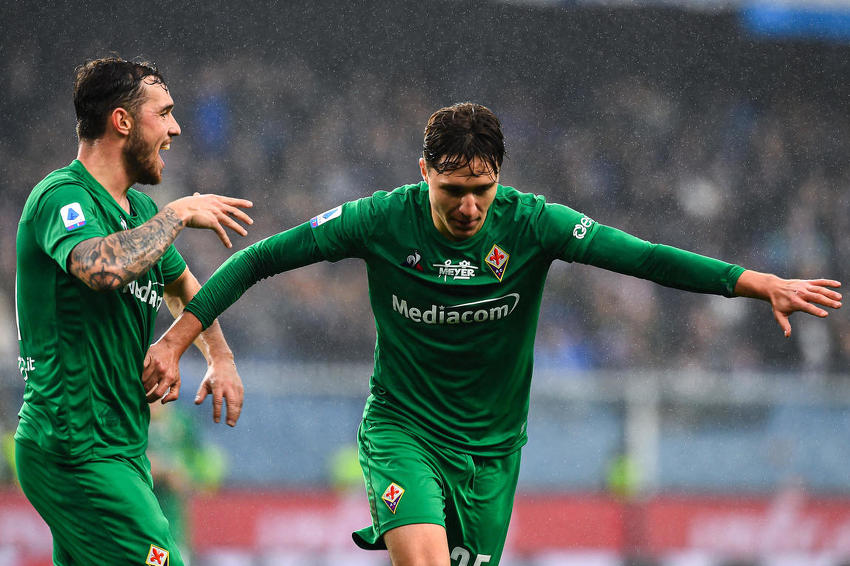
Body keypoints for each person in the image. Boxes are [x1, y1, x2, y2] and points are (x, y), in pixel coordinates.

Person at [142, 102, 841, 566]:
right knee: (423, 558)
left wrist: (754, 282)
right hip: (402, 429)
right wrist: (178, 339)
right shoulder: (380, 218)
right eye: (453, 191)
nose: (471, 206)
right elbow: (263, 257)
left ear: (500, 176)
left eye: (483, 188)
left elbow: (647, 258)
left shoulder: (534, 223)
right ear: (425, 174)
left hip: (491, 448)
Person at [14, 57, 252, 566]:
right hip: (73, 446)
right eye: (164, 113)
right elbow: (99, 269)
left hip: (119, 447)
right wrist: (177, 213)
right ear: (122, 121)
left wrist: (219, 356)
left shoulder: (139, 212)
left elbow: (185, 287)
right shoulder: (62, 196)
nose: (176, 128)